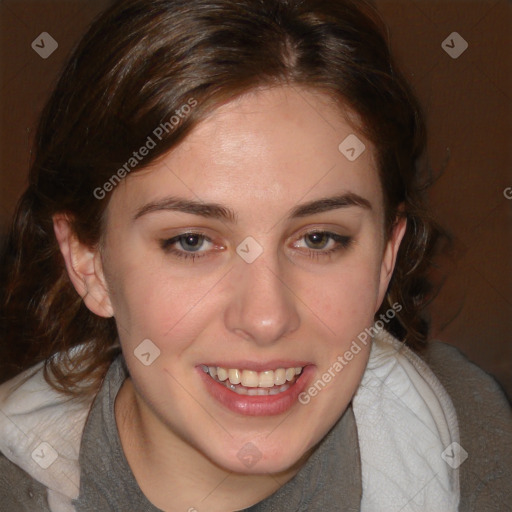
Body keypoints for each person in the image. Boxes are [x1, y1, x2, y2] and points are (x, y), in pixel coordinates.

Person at [0, 0, 510, 510]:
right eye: (192, 242)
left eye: (319, 239)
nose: (266, 318)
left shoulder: (480, 445)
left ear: (385, 256)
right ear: (89, 263)